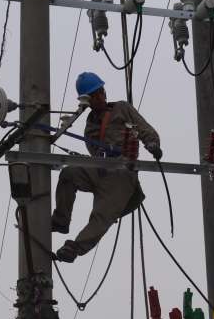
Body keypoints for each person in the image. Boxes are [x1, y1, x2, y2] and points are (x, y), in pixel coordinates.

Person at [52, 72, 163, 263]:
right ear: (87, 100)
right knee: (69, 173)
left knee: (101, 216)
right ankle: (61, 220)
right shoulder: (89, 122)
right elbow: (93, 149)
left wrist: (152, 144)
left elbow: (144, 128)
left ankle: (75, 248)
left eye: (101, 92)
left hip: (121, 173)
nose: (100, 97)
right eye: (94, 95)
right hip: (100, 168)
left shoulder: (121, 108)